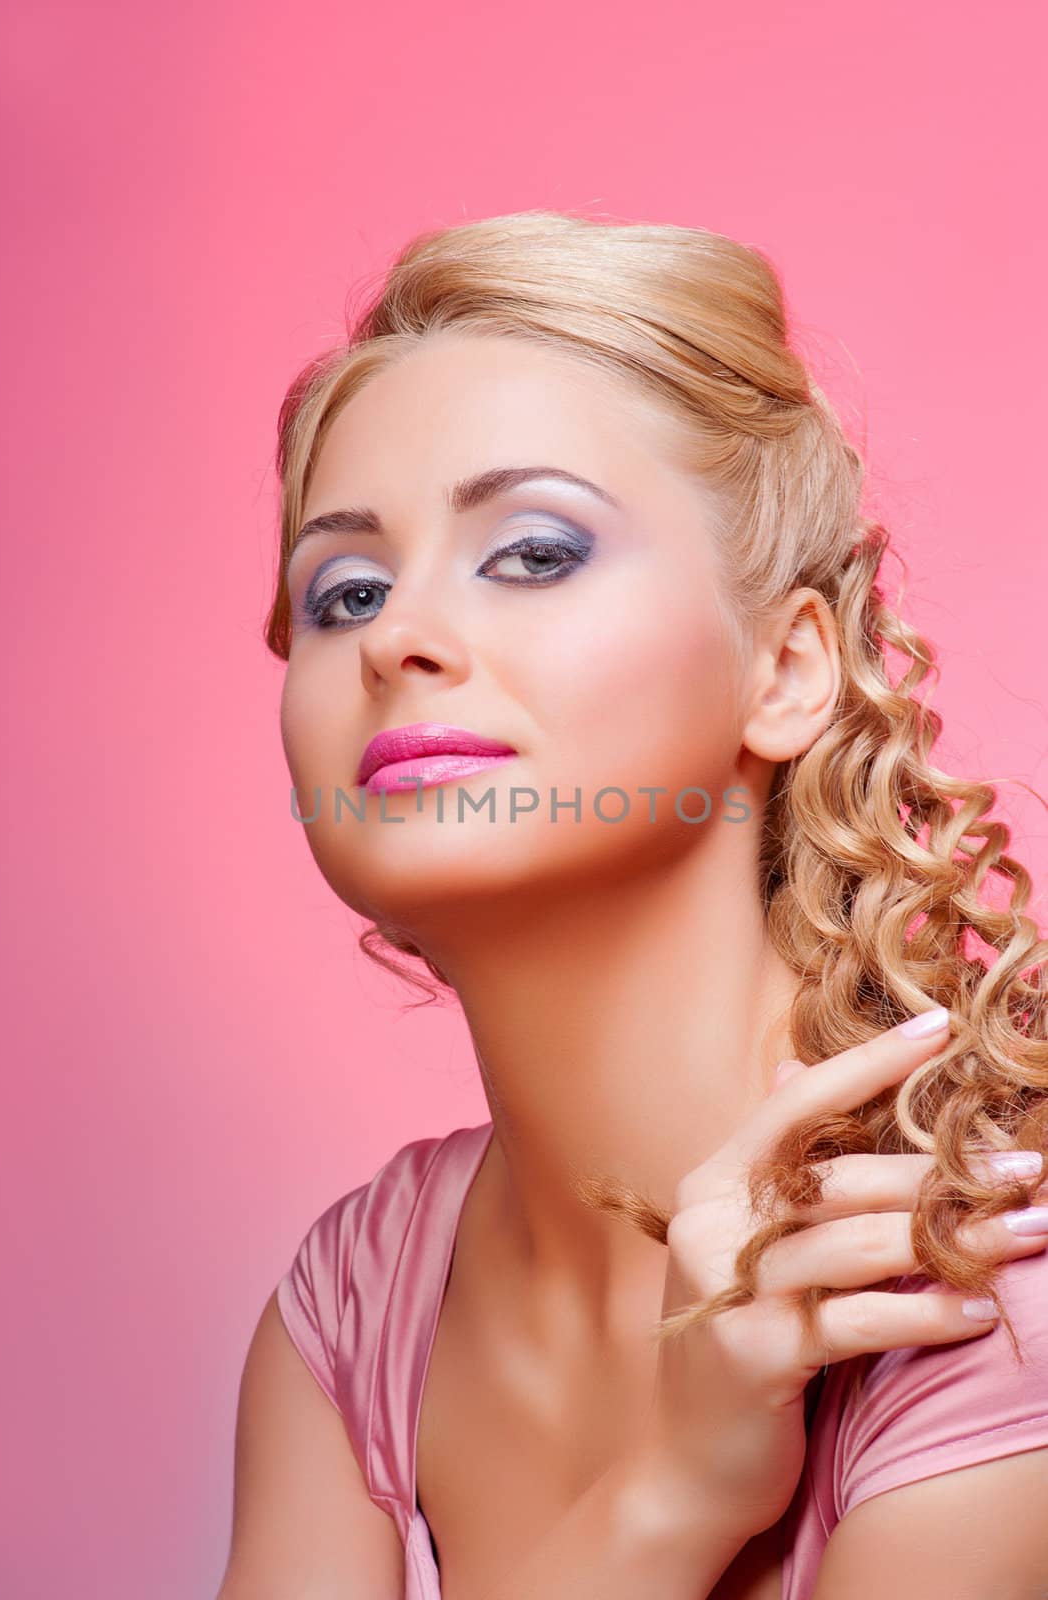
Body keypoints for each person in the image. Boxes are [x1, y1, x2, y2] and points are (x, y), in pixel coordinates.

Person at [217, 211, 1048, 1600]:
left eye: (533, 552)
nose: (398, 640)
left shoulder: (978, 1271)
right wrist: (664, 1503)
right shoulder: (356, 1301)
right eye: (344, 589)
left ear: (788, 670)